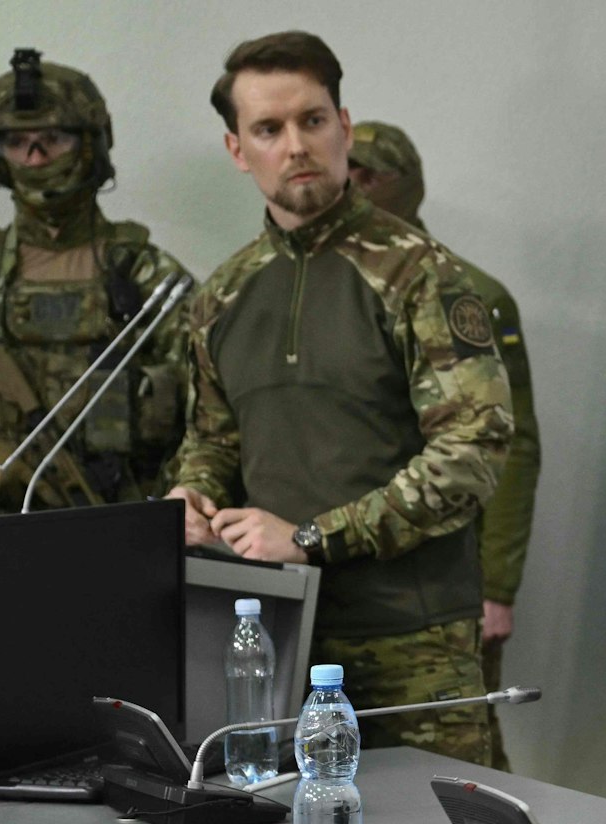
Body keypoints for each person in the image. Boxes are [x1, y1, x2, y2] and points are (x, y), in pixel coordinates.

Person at [165, 32, 512, 768]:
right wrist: (192, 493)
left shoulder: (422, 276)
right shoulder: (220, 295)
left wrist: (315, 535)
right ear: (238, 149)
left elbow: (473, 456)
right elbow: (215, 438)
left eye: (312, 121)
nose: (296, 145)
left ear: (344, 128)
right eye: (269, 129)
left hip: (412, 641)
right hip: (274, 639)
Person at [347, 120, 541, 766]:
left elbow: (514, 449)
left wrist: (497, 586)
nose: (351, 185)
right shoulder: (313, 291)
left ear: (407, 185)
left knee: (467, 761)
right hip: (342, 573)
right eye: (345, 170)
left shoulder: (468, 292)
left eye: (369, 174)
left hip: (446, 575)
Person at [0, 49, 191, 512]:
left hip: (117, 518)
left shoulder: (147, 276)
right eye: (16, 142)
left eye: (52, 139)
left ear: (90, 144)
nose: (35, 157)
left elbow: (208, 425)